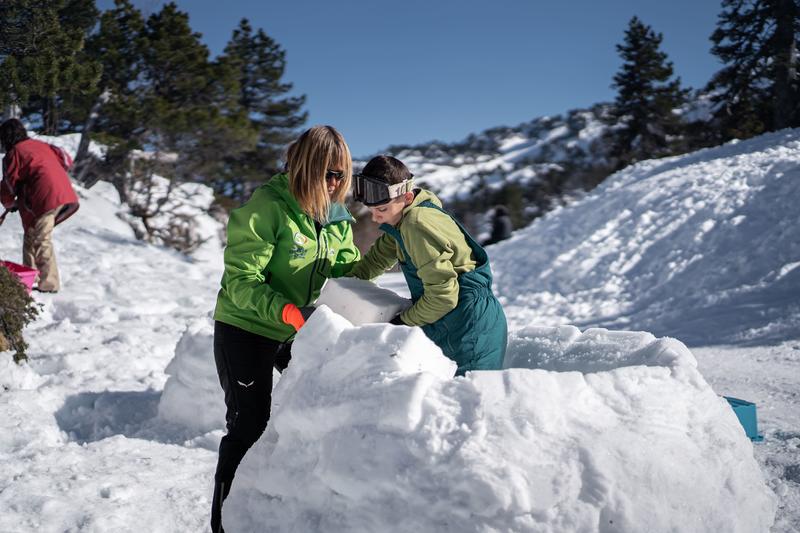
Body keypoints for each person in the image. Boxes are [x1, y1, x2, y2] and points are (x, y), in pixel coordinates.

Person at [210, 125, 360, 532]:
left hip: (296, 328)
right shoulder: (267, 207)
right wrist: (289, 312)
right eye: (328, 174)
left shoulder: (336, 217)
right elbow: (241, 281)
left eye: (342, 175)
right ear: (306, 168)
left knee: (319, 410)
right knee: (248, 425)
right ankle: (223, 525)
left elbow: (347, 273)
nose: (335, 184)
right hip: (246, 327)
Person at [348, 155, 507, 376]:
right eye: (371, 210)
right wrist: (342, 289)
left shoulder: (417, 224)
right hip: (450, 321)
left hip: (468, 328)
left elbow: (443, 296)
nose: (375, 218)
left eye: (382, 210)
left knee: (465, 396)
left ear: (407, 197)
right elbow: (373, 263)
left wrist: (401, 322)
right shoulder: (401, 222)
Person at [0, 119, 79, 293]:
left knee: (41, 238)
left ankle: (50, 285)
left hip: (46, 197)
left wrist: (9, 202)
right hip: (63, 192)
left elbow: (8, 185)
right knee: (31, 235)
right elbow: (66, 160)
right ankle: (30, 277)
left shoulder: (14, 153)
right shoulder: (41, 145)